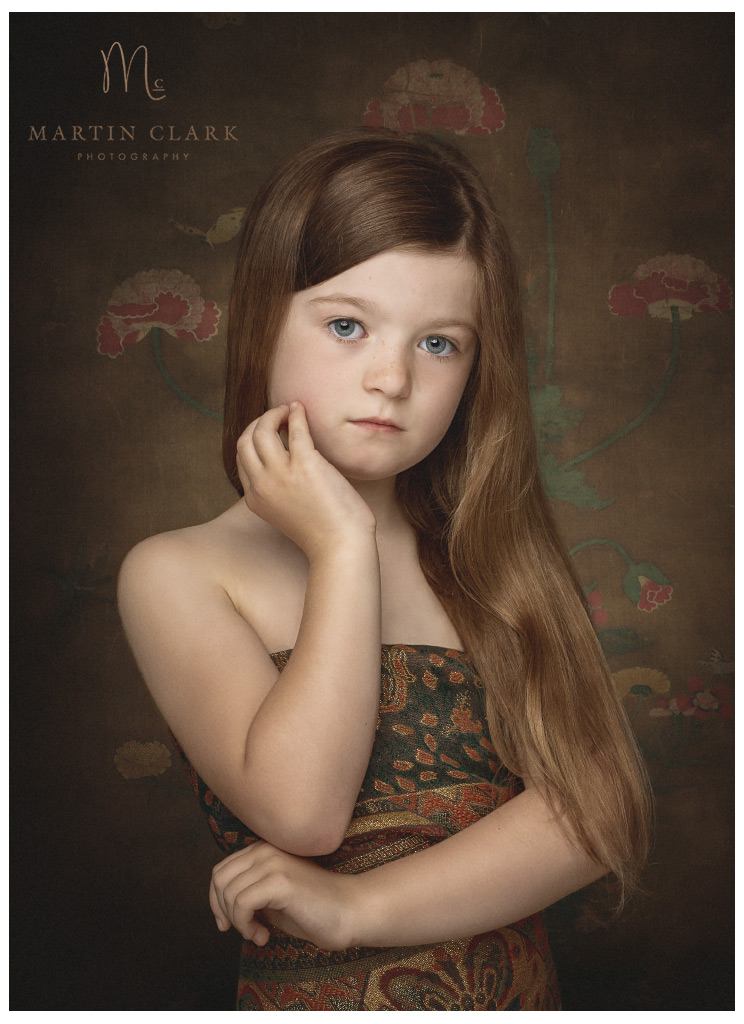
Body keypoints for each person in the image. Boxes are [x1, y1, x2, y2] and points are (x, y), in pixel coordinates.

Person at [118, 127, 652, 1011]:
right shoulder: (178, 572)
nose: (390, 379)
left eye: (439, 344)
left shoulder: (489, 556)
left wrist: (359, 905)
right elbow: (302, 811)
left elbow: (600, 811)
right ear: (262, 322)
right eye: (346, 325)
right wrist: (340, 547)